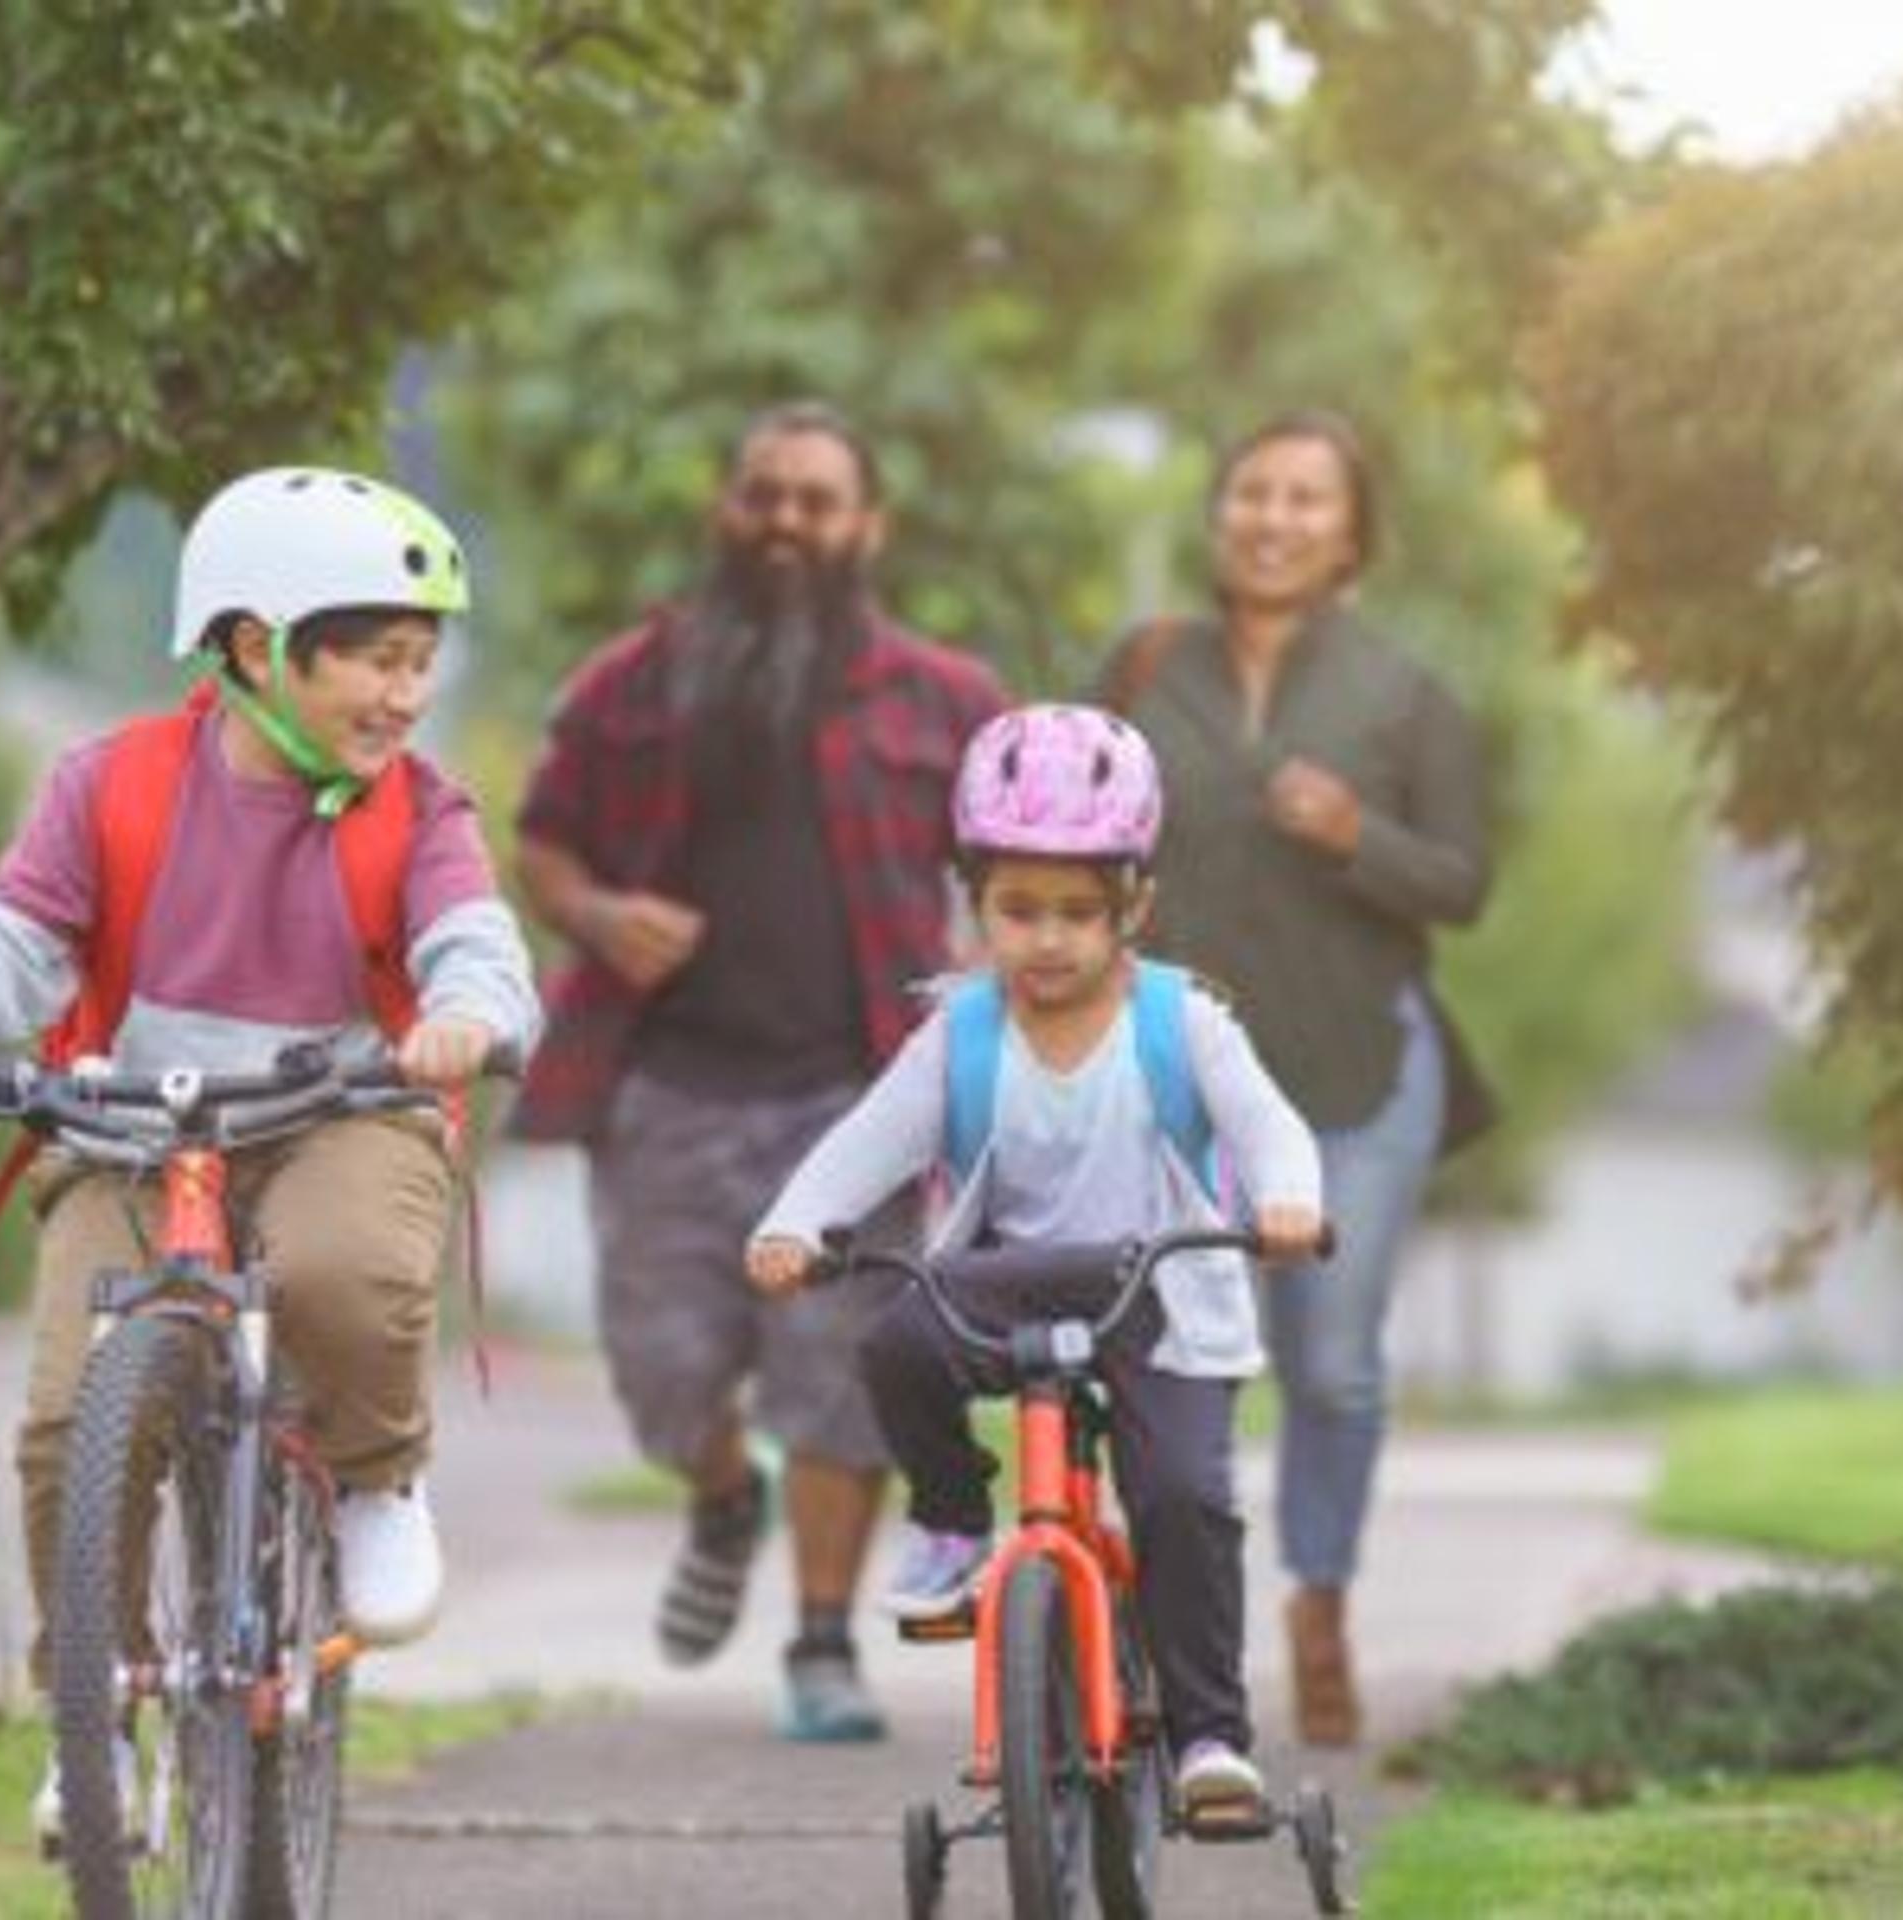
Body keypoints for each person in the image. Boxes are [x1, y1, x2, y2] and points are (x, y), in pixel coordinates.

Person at [0, 466, 540, 1838]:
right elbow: (7, 942)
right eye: (373, 662)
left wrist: (471, 1016)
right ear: (256, 649)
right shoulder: (112, 788)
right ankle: (94, 1712)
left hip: (342, 1111)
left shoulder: (422, 812)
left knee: (344, 1272)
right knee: (69, 1416)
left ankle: (373, 1474)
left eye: (423, 664)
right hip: (133, 1126)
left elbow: (477, 945)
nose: (404, 698)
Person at [511, 402, 1007, 1742]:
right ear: (727, 511)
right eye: (764, 494)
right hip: (666, 1089)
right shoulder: (635, 680)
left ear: (868, 528)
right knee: (663, 1374)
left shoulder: (947, 701)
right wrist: (599, 916)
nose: (786, 519)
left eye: (817, 499)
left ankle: (822, 1646)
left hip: (865, 1093)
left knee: (842, 1381)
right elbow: (542, 842)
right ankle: (724, 1495)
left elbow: (1030, 872)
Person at [743, 704, 1326, 1819]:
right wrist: (794, 1225)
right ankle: (956, 1513)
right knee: (900, 1339)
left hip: (1162, 1291)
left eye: (1075, 914)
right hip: (1012, 1283)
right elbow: (867, 1141)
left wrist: (1290, 1200)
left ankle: (1208, 1738)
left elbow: (1267, 1126)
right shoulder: (958, 1033)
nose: (1045, 940)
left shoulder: (1181, 1022)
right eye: (1017, 911)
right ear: (976, 906)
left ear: (1133, 909)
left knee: (1183, 1499)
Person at [1089, 412, 1494, 1750]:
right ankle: (1152, 1619)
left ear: (1352, 535)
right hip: (1172, 1075)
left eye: (1306, 499)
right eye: (1252, 492)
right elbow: (1067, 832)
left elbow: (1462, 883)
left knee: (1330, 1367)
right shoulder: (1144, 668)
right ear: (1220, 518)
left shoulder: (1406, 694)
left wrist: (1354, 833)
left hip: (1357, 1070)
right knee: (1157, 1361)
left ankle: (1318, 1604)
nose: (1273, 517)